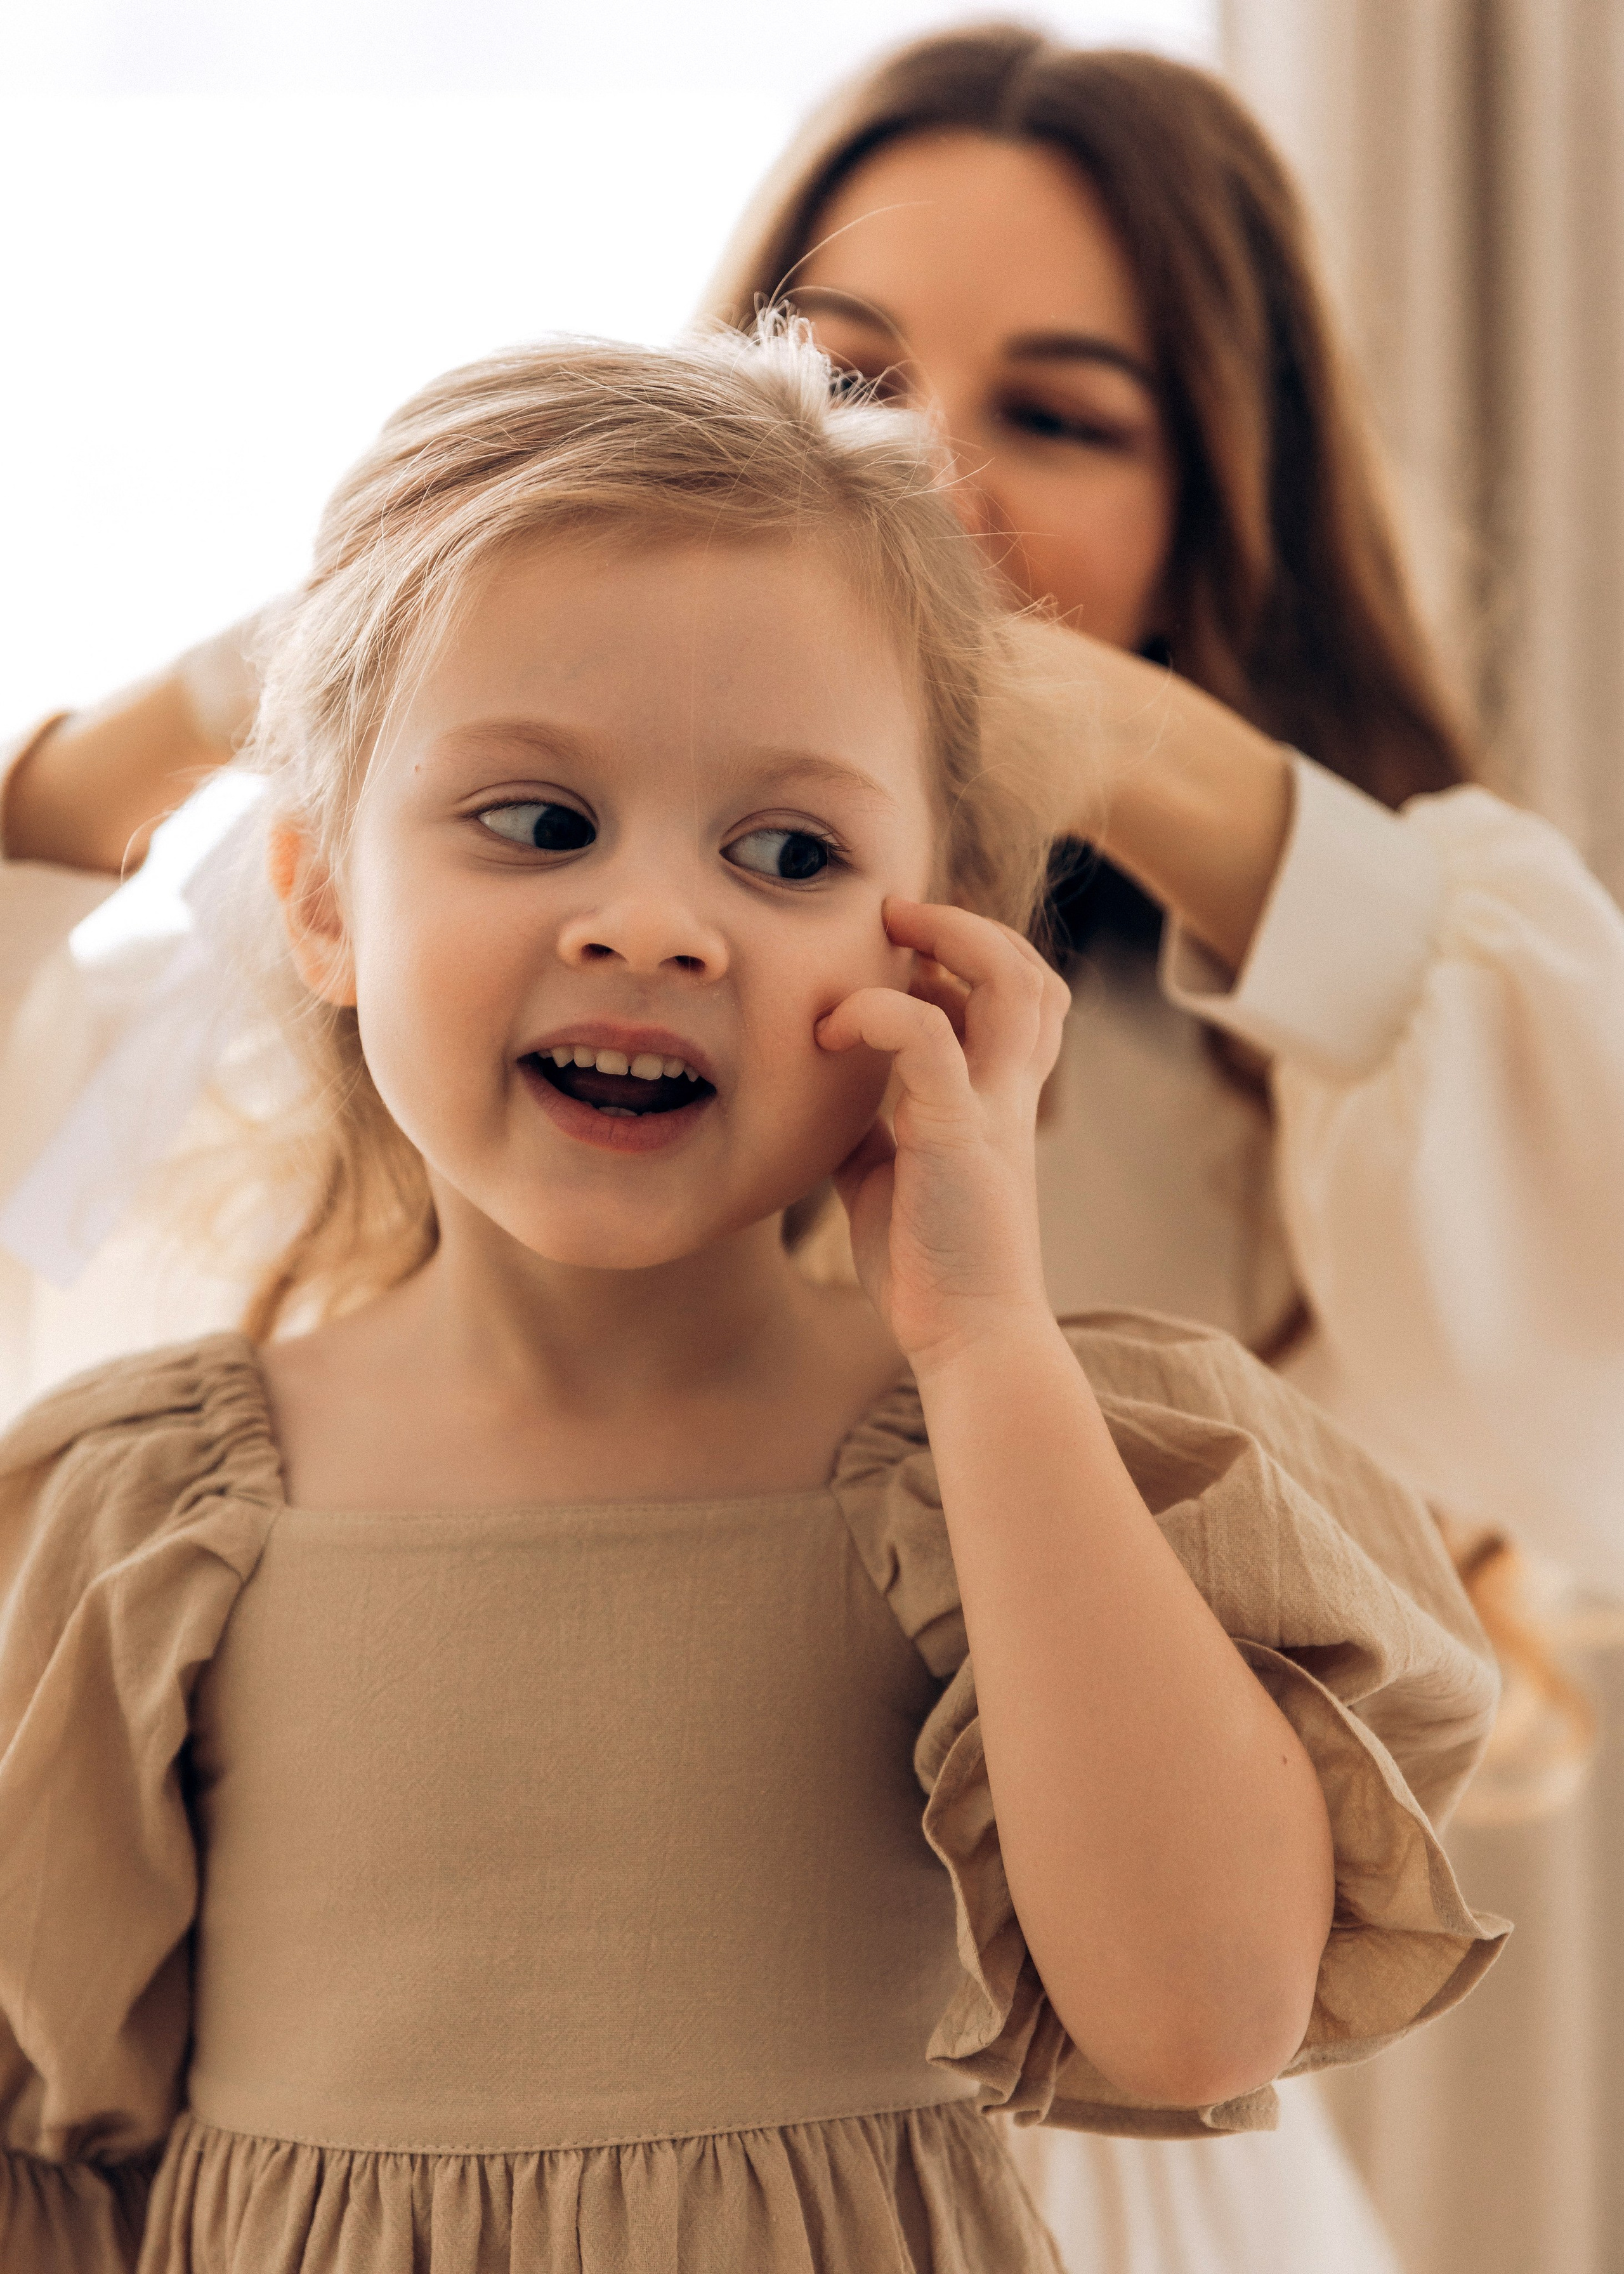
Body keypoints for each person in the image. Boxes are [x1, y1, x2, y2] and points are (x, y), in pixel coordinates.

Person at [2, 27, 1621, 2274]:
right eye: (846, 369)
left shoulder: (1315, 1060)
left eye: (1053, 414)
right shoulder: (169, 1489)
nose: (928, 466)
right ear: (324, 896)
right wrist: (271, 676)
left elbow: (1191, 2008)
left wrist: (994, 1329)